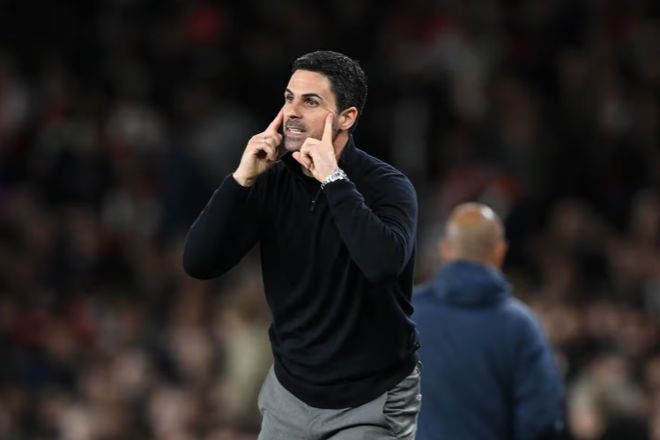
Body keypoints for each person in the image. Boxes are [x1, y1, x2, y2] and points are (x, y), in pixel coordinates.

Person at [183, 50, 421, 439]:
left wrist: (334, 180)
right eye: (289, 98)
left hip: (371, 398)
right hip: (290, 396)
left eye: (310, 101)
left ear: (346, 117)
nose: (291, 112)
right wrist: (241, 180)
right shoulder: (272, 182)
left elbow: (382, 264)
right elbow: (199, 262)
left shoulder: (387, 186)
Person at [412, 203, 564, 440]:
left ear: (445, 249)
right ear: (499, 251)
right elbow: (542, 417)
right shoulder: (520, 325)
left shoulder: (406, 314)